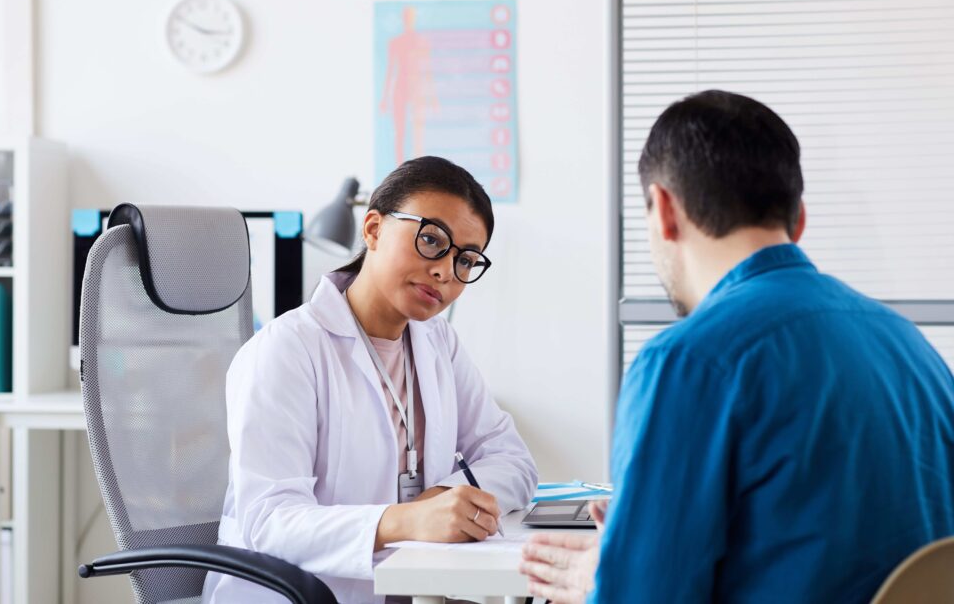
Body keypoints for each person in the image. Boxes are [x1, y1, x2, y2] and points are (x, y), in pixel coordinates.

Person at [520, 90, 954, 603]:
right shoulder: (910, 346)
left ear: (663, 209)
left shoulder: (689, 362)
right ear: (798, 220)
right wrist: (644, 541)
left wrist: (611, 579)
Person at [203, 156, 538, 603]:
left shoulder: (439, 343)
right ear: (374, 229)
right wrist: (405, 520)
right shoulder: (287, 350)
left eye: (466, 259)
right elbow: (270, 522)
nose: (445, 271)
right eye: (432, 239)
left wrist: (441, 497)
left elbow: (512, 460)